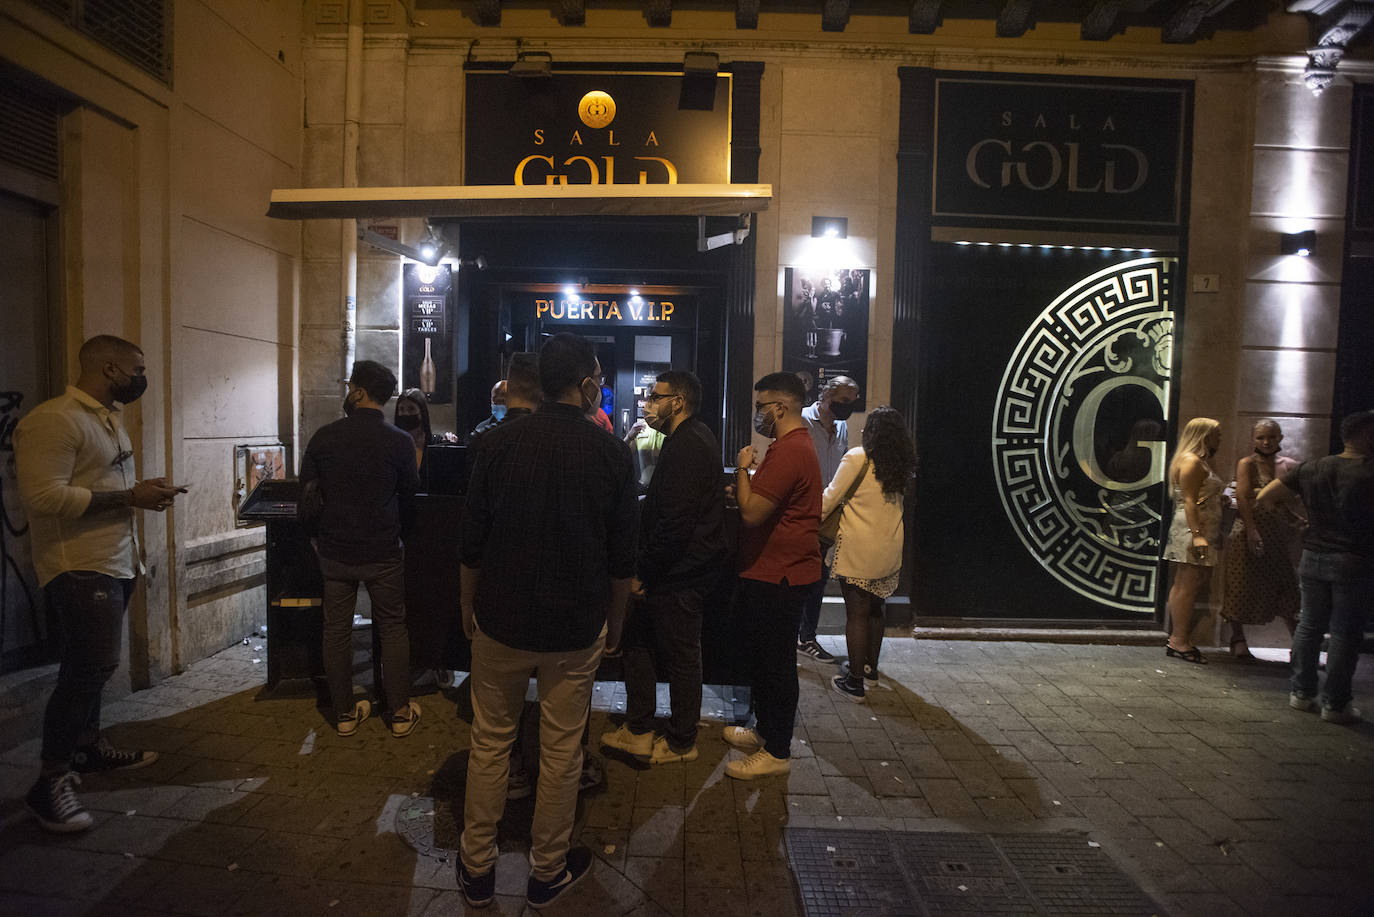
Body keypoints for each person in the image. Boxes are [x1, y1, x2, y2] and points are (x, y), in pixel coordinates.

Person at [457, 332, 637, 909]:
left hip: (501, 618)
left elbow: (472, 543)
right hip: (574, 625)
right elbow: (621, 557)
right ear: (585, 384)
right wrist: (616, 620)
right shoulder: (611, 453)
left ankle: (477, 867)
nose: (601, 388)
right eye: (599, 379)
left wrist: (467, 606)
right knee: (562, 753)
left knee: (490, 744)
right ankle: (546, 872)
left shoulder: (497, 445)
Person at [14, 334, 187, 832]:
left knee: (93, 667)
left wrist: (139, 492)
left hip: (115, 560)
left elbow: (105, 489)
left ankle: (88, 750)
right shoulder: (54, 420)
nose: (141, 378)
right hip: (78, 566)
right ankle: (49, 783)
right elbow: (43, 498)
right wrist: (129, 496)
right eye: (136, 369)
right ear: (110, 369)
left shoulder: (107, 421)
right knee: (88, 669)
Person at [602, 371, 725, 765]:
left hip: (679, 573)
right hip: (673, 570)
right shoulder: (686, 440)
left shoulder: (689, 444)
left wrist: (645, 572)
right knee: (640, 645)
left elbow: (676, 521)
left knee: (681, 655)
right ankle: (639, 728)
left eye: (656, 396)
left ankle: (680, 741)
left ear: (679, 401)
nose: (649, 402)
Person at [300, 361, 421, 738]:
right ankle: (400, 712)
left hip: (335, 552)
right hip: (383, 551)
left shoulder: (324, 437)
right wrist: (403, 536)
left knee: (336, 631)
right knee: (394, 628)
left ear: (359, 392)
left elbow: (306, 494)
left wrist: (315, 538)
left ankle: (344, 714)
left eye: (350, 385)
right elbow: (410, 498)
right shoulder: (399, 441)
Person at [726, 372, 822, 779]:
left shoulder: (789, 451)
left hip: (779, 574)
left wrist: (742, 471)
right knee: (766, 660)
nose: (758, 414)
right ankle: (765, 731)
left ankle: (778, 751)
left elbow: (752, 514)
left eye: (762, 406)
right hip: (775, 570)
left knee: (777, 663)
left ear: (779, 408)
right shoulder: (793, 447)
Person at [1258, 409, 1374, 724]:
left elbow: (1267, 497)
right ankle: (1335, 703)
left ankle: (1302, 693)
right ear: (1366, 435)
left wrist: (1299, 523)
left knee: (1309, 625)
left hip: (1313, 556)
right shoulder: (1368, 471)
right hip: (1354, 558)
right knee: (1344, 632)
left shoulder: (1314, 467)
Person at [826, 407, 916, 702]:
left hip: (859, 546)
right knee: (877, 609)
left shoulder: (857, 458)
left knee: (856, 614)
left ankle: (854, 683)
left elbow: (830, 498)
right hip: (889, 547)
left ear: (872, 432)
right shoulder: (900, 464)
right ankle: (870, 671)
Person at [1220, 419, 1302, 659]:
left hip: (1277, 532)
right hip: (1248, 528)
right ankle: (1237, 639)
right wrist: (1252, 530)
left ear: (1280, 438)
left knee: (1286, 586)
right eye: (1260, 437)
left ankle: (1299, 645)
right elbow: (1244, 498)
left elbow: (1293, 498)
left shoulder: (1288, 465)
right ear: (1253, 439)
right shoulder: (1247, 464)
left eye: (1271, 437)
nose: (1266, 442)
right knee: (1240, 583)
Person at [796, 375, 860, 663]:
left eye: (852, 402)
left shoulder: (842, 426)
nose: (847, 407)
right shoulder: (801, 421)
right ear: (826, 396)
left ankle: (807, 636)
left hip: (827, 513)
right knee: (800, 578)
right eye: (844, 400)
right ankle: (797, 635)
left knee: (818, 577)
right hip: (800, 511)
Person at [1162, 417, 1225, 664]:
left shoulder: (1197, 461)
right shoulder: (1191, 462)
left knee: (1187, 582)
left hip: (1199, 527)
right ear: (1203, 435)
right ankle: (1178, 639)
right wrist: (1197, 535)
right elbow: (1189, 500)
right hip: (1193, 529)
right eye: (1216, 434)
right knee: (1186, 584)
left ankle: (1178, 637)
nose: (1219, 439)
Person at [393, 388, 458, 489]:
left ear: (422, 412)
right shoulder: (394, 445)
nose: (406, 413)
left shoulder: (435, 443)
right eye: (401, 409)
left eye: (411, 409)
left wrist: (449, 447)